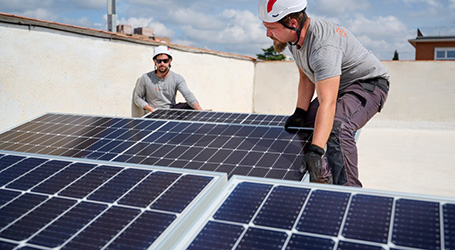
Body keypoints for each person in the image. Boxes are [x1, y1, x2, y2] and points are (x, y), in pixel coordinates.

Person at [258, 0, 390, 187]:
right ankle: (321, 177)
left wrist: (317, 150)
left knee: (338, 126)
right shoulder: (293, 40)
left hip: (368, 84)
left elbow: (327, 102)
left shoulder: (323, 47)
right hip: (338, 85)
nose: (267, 33)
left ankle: (349, 193)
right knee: (309, 123)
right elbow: (305, 76)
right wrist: (300, 112)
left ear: (292, 23)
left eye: (271, 27)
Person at [132, 45, 205, 117]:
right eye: (159, 61)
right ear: (155, 61)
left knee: (189, 106)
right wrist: (151, 109)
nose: (162, 64)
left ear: (170, 61)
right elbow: (137, 97)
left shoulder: (177, 78)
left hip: (170, 113)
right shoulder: (145, 78)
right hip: (153, 114)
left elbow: (188, 94)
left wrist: (201, 112)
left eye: (165, 61)